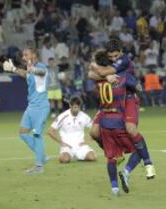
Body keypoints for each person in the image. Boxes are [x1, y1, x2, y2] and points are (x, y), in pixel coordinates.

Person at [88, 40, 156, 180]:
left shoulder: (124, 60)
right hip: (112, 99)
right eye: (111, 57)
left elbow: (99, 71)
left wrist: (97, 68)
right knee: (94, 133)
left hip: (129, 96)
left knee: (130, 129)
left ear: (121, 51)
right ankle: (115, 154)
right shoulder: (109, 61)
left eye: (116, 56)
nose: (113, 59)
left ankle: (148, 163)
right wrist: (105, 75)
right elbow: (91, 75)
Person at [96, 64, 143, 196]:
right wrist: (137, 87)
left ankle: (114, 188)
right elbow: (139, 88)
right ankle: (126, 171)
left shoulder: (102, 81)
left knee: (111, 158)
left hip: (105, 123)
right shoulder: (124, 81)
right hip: (119, 124)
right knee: (139, 150)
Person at [3, 47, 50, 175]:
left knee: (36, 134)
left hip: (40, 107)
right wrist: (12, 69)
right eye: (23, 55)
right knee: (23, 133)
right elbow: (26, 73)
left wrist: (31, 68)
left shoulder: (42, 67)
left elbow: (39, 72)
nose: (24, 58)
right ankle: (42, 156)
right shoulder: (30, 69)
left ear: (34, 54)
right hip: (31, 107)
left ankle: (39, 166)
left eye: (26, 55)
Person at [47, 97, 96, 163]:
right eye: (75, 107)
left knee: (92, 157)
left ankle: (79, 155)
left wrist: (89, 141)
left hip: (80, 145)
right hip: (67, 146)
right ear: (70, 105)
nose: (76, 109)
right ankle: (66, 154)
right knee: (64, 159)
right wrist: (61, 142)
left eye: (78, 107)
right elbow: (50, 131)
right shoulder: (63, 116)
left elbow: (95, 129)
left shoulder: (84, 116)